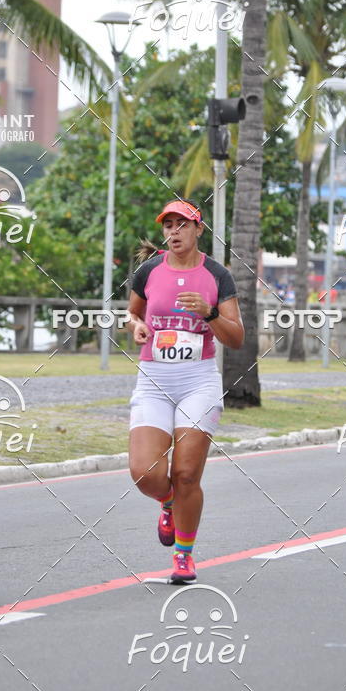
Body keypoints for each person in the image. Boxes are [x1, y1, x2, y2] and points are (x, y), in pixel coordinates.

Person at [126, 200, 244, 583]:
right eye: (167, 226)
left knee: (187, 473)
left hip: (198, 380)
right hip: (154, 379)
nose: (173, 232)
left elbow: (237, 338)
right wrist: (136, 326)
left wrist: (210, 313)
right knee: (145, 473)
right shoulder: (149, 271)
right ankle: (168, 501)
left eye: (181, 225)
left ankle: (184, 555)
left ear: (198, 229)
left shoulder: (216, 274)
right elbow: (133, 313)